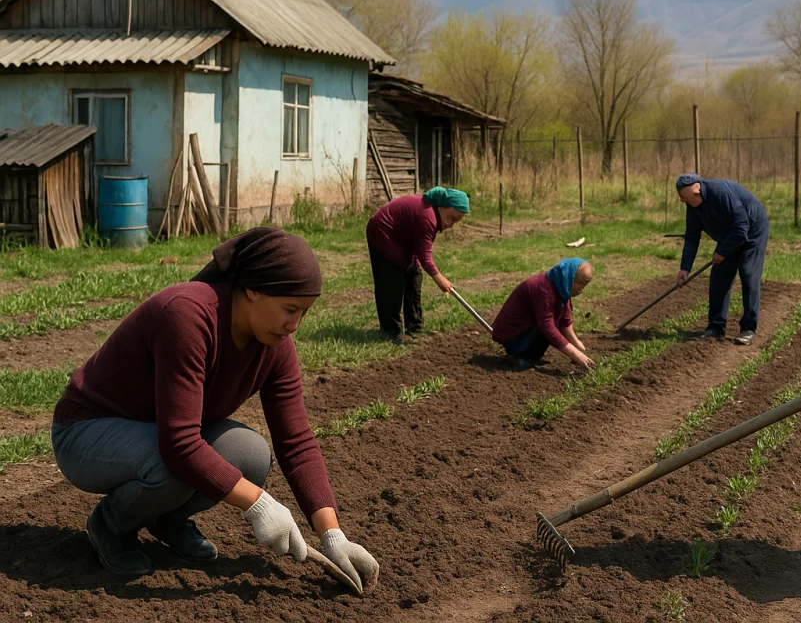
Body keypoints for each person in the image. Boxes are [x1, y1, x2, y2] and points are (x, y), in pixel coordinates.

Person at [50, 227, 379, 592]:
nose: (295, 325)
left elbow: (296, 442)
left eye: (304, 312)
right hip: (87, 432)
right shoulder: (187, 316)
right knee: (172, 465)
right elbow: (178, 445)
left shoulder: (275, 348)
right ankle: (110, 525)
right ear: (253, 289)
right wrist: (260, 505)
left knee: (250, 455)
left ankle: (167, 520)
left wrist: (332, 535)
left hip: (154, 432)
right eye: (289, 309)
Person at [366, 186, 470, 344]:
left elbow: (420, 249)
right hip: (383, 232)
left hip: (401, 237)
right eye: (452, 218)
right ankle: (390, 332)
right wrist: (440, 279)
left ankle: (414, 327)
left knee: (414, 275)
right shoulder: (428, 217)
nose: (451, 225)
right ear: (442, 207)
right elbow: (425, 256)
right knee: (392, 280)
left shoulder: (432, 214)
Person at [675, 173, 770, 346]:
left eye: (687, 198)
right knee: (719, 277)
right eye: (684, 200)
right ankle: (715, 327)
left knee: (749, 274)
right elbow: (692, 237)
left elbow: (741, 228)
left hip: (752, 232)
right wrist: (685, 268)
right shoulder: (693, 206)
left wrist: (722, 251)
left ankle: (748, 328)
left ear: (698, 190)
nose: (685, 203)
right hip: (729, 235)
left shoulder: (720, 193)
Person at [491, 258, 596, 371]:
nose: (582, 289)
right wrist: (575, 354)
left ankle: (528, 356)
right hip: (513, 335)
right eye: (580, 283)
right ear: (569, 277)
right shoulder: (544, 291)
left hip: (527, 331)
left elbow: (565, 322)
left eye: (585, 285)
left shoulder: (561, 288)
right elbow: (547, 327)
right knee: (549, 327)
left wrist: (579, 348)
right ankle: (523, 358)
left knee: (552, 324)